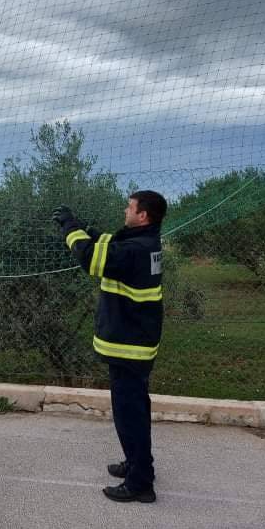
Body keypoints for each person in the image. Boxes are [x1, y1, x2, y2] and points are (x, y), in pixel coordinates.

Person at [52, 190, 167, 504]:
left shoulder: (137, 249)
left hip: (129, 347)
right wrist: (87, 230)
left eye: (129, 207)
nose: (125, 211)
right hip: (136, 344)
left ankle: (140, 483)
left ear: (142, 215)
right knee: (135, 411)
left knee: (129, 415)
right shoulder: (145, 242)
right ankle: (138, 465)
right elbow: (111, 244)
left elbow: (91, 258)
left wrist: (69, 228)